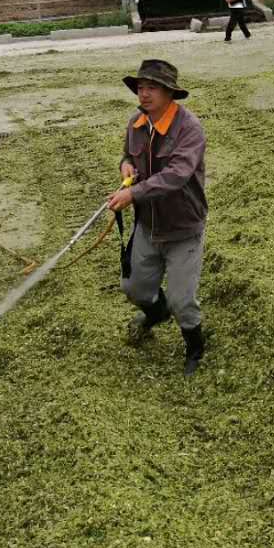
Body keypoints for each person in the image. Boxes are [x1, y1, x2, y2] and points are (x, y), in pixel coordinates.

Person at [109, 59, 208, 376]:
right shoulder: (136, 123)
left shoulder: (189, 129)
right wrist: (125, 165)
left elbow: (177, 174)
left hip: (182, 227)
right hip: (149, 225)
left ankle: (195, 348)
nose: (144, 94)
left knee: (182, 301)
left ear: (170, 93)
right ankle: (156, 312)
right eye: (140, 87)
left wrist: (133, 194)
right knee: (134, 288)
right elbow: (128, 154)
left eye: (152, 87)